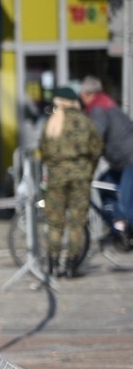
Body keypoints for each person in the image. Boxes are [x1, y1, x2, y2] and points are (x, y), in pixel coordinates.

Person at [36, 83, 104, 277]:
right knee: (77, 222)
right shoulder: (85, 121)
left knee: (55, 222)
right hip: (81, 177)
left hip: (57, 177)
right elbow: (97, 149)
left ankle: (53, 265)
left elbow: (43, 150)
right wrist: (88, 170)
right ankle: (71, 265)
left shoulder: (52, 123)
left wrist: (54, 166)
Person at [79, 76, 133, 247]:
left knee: (125, 205)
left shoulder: (98, 108)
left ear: (86, 93)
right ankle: (119, 228)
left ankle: (126, 232)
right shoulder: (104, 102)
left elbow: (95, 139)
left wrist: (82, 158)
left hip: (129, 160)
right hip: (120, 161)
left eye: (82, 93)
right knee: (104, 185)